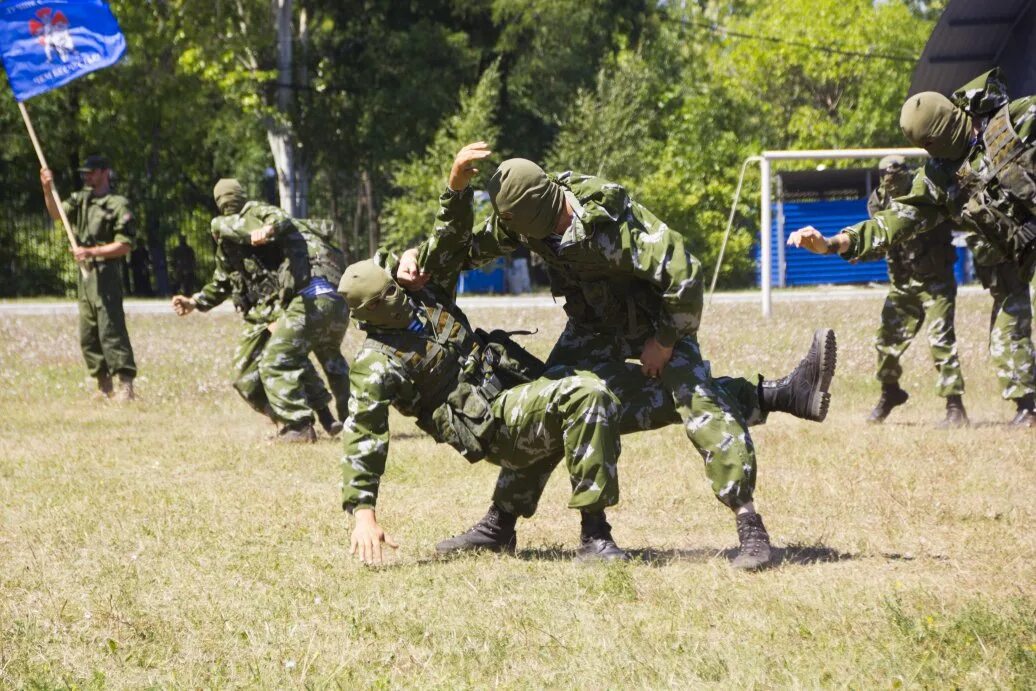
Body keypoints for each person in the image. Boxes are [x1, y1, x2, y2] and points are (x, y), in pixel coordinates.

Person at [398, 143, 838, 570]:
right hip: (592, 329)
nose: (506, 226)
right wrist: (442, 212)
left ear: (537, 208)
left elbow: (686, 274)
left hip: (656, 321)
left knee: (698, 401)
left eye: (511, 219)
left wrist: (665, 341)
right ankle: (500, 524)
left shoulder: (614, 221)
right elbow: (460, 253)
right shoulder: (522, 221)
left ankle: (751, 527)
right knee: (551, 404)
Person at [788, 69, 1035, 426]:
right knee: (1006, 340)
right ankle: (1029, 409)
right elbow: (892, 222)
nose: (928, 154)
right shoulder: (941, 180)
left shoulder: (1017, 120)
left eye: (928, 145)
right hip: (1022, 259)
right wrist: (832, 243)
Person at [171, 179, 350, 442]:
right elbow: (223, 280)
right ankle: (289, 419)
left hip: (282, 305)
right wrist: (195, 301)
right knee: (244, 377)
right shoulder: (227, 237)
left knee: (284, 359)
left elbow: (283, 225)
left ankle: (307, 423)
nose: (227, 203)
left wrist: (266, 232)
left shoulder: (259, 218)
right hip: (257, 313)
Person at [865, 155, 967, 426]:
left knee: (941, 341)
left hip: (936, 282)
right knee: (886, 342)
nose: (891, 185)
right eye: (886, 180)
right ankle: (890, 392)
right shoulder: (878, 200)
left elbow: (957, 217)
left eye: (895, 178)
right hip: (903, 284)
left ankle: (955, 406)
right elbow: (880, 236)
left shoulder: (927, 190)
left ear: (905, 175)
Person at [40, 154, 138, 401]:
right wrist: (46, 188)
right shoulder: (81, 199)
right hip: (85, 276)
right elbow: (57, 215)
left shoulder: (117, 204)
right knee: (89, 333)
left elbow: (124, 245)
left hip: (106, 273)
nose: (87, 176)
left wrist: (91, 251)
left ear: (105, 172)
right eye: (85, 172)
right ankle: (103, 386)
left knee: (111, 329)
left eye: (92, 172)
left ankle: (125, 385)